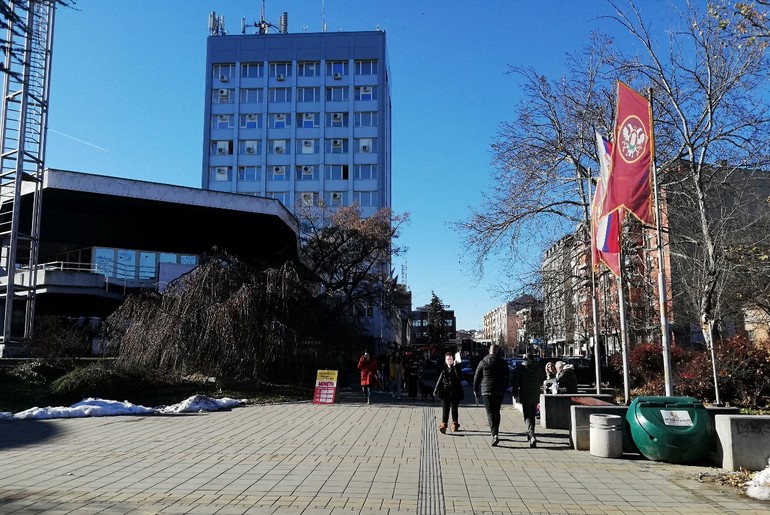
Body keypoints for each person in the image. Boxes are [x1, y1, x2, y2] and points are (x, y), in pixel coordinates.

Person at [473, 344, 509, 446]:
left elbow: (476, 376)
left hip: (486, 390)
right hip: (499, 390)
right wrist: (505, 387)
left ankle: (494, 434)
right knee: (496, 412)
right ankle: (496, 432)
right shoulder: (502, 362)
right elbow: (507, 375)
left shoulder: (483, 361)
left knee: (490, 412)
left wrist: (476, 390)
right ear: (497, 351)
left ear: (489, 350)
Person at [511, 353, 546, 447]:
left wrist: (514, 393)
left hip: (525, 394)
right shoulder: (538, 368)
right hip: (535, 394)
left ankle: (531, 435)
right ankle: (530, 433)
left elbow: (515, 382)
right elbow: (543, 379)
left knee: (527, 415)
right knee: (532, 415)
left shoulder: (521, 368)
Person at [434, 352, 465, 434]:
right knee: (445, 408)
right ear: (445, 360)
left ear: (453, 359)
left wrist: (455, 367)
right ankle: (444, 424)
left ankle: (455, 423)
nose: (449, 361)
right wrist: (436, 389)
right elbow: (439, 379)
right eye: (448, 359)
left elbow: (460, 377)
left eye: (451, 359)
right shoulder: (443, 369)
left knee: (454, 408)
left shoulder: (457, 368)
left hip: (455, 391)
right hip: (445, 391)